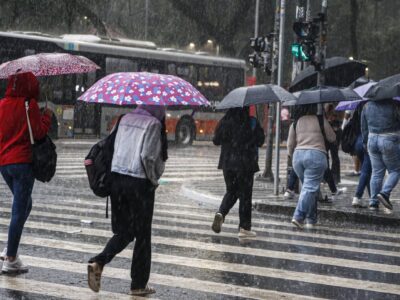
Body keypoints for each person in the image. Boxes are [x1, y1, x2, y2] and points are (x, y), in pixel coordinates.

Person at [87, 105, 168, 296]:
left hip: (117, 180)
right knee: (143, 236)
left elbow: (112, 148)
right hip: (139, 183)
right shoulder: (153, 124)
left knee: (124, 231)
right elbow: (148, 157)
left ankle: (98, 262)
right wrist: (154, 179)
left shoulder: (124, 119)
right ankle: (138, 284)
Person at [0, 72, 52, 273]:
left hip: (5, 164)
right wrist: (47, 116)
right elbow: (38, 132)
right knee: (20, 209)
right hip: (23, 163)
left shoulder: (2, 104)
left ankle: (10, 250)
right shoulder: (28, 104)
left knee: (25, 204)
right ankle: (11, 258)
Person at [211, 107, 265, 238]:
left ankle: (221, 213)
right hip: (246, 164)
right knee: (245, 196)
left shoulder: (225, 121)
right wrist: (258, 128)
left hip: (228, 164)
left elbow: (216, 140)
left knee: (231, 191)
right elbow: (260, 141)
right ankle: (244, 228)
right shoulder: (251, 121)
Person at [287, 104, 336, 229]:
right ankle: (298, 216)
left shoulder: (296, 122)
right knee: (309, 188)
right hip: (316, 155)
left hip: (298, 157)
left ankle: (311, 219)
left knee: (309, 188)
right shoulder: (320, 119)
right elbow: (332, 137)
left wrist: (293, 156)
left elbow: (289, 145)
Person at [361, 99, 400, 211]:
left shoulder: (367, 105)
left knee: (376, 172)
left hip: (371, 139)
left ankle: (373, 202)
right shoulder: (393, 104)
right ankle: (384, 193)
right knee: (395, 170)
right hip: (389, 139)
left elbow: (363, 127)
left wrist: (365, 142)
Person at [351, 104, 372, 208]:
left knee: (367, 170)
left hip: (358, 142)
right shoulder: (370, 106)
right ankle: (357, 196)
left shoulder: (359, 106)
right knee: (366, 171)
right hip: (366, 141)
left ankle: (372, 197)